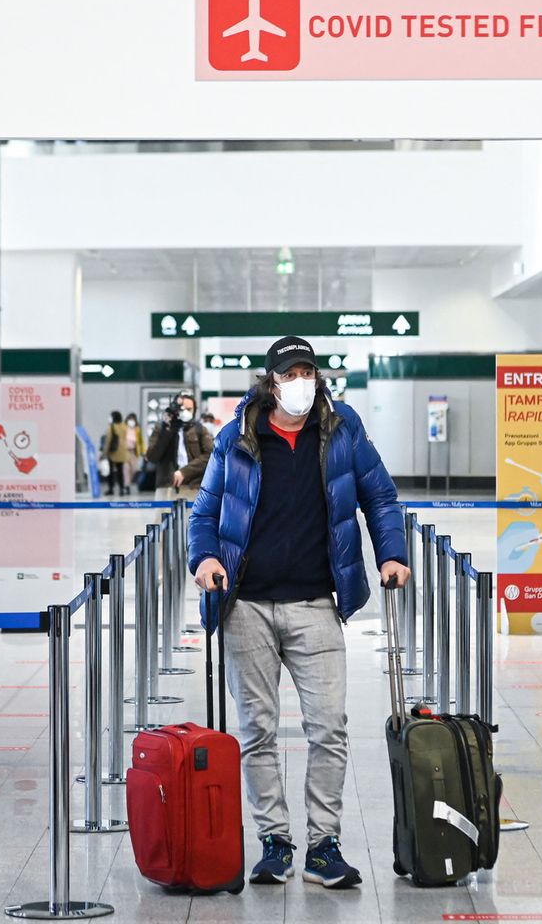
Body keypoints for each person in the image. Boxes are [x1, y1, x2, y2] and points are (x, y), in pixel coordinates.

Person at [188, 336, 408, 891]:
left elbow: (379, 496)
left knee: (328, 727)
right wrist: (205, 556)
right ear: (271, 380)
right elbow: (206, 510)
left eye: (309, 371)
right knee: (257, 730)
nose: (301, 381)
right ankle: (274, 841)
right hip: (248, 604)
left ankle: (323, 844)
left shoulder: (341, 427)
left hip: (315, 600)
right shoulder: (238, 434)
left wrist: (392, 554)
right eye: (291, 373)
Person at [146, 391, 214, 498]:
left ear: (194, 410)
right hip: (167, 486)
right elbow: (152, 457)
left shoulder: (199, 429)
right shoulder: (161, 428)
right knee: (162, 515)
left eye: (189, 409)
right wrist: (167, 431)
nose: (185, 412)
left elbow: (210, 455)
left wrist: (185, 472)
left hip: (194, 487)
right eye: (182, 409)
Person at [102, 410, 132, 495]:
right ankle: (122, 489)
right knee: (120, 472)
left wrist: (104, 452)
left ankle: (111, 489)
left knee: (110, 472)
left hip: (113, 452)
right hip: (122, 451)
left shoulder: (111, 427)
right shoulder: (124, 426)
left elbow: (108, 441)